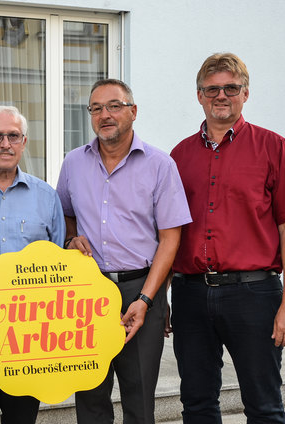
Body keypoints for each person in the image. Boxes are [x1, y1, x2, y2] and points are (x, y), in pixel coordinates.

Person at [56, 78, 191, 424]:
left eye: (114, 106)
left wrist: (147, 300)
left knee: (140, 396)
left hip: (140, 287)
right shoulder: (73, 163)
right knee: (90, 395)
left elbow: (170, 239)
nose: (105, 115)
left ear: (133, 111)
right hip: (86, 293)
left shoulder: (161, 165)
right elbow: (65, 216)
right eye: (96, 108)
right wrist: (72, 239)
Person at [170, 52, 285, 423]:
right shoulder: (178, 156)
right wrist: (162, 297)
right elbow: (169, 233)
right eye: (212, 89)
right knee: (196, 404)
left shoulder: (274, 148)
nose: (220, 96)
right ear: (199, 96)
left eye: (230, 88)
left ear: (245, 93)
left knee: (264, 406)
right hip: (191, 294)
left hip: (254, 295)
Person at [0, 105, 65, 424]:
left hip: (29, 337)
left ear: (24, 142)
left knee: (23, 418)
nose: (5, 143)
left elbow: (60, 263)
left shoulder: (47, 197)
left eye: (13, 136)